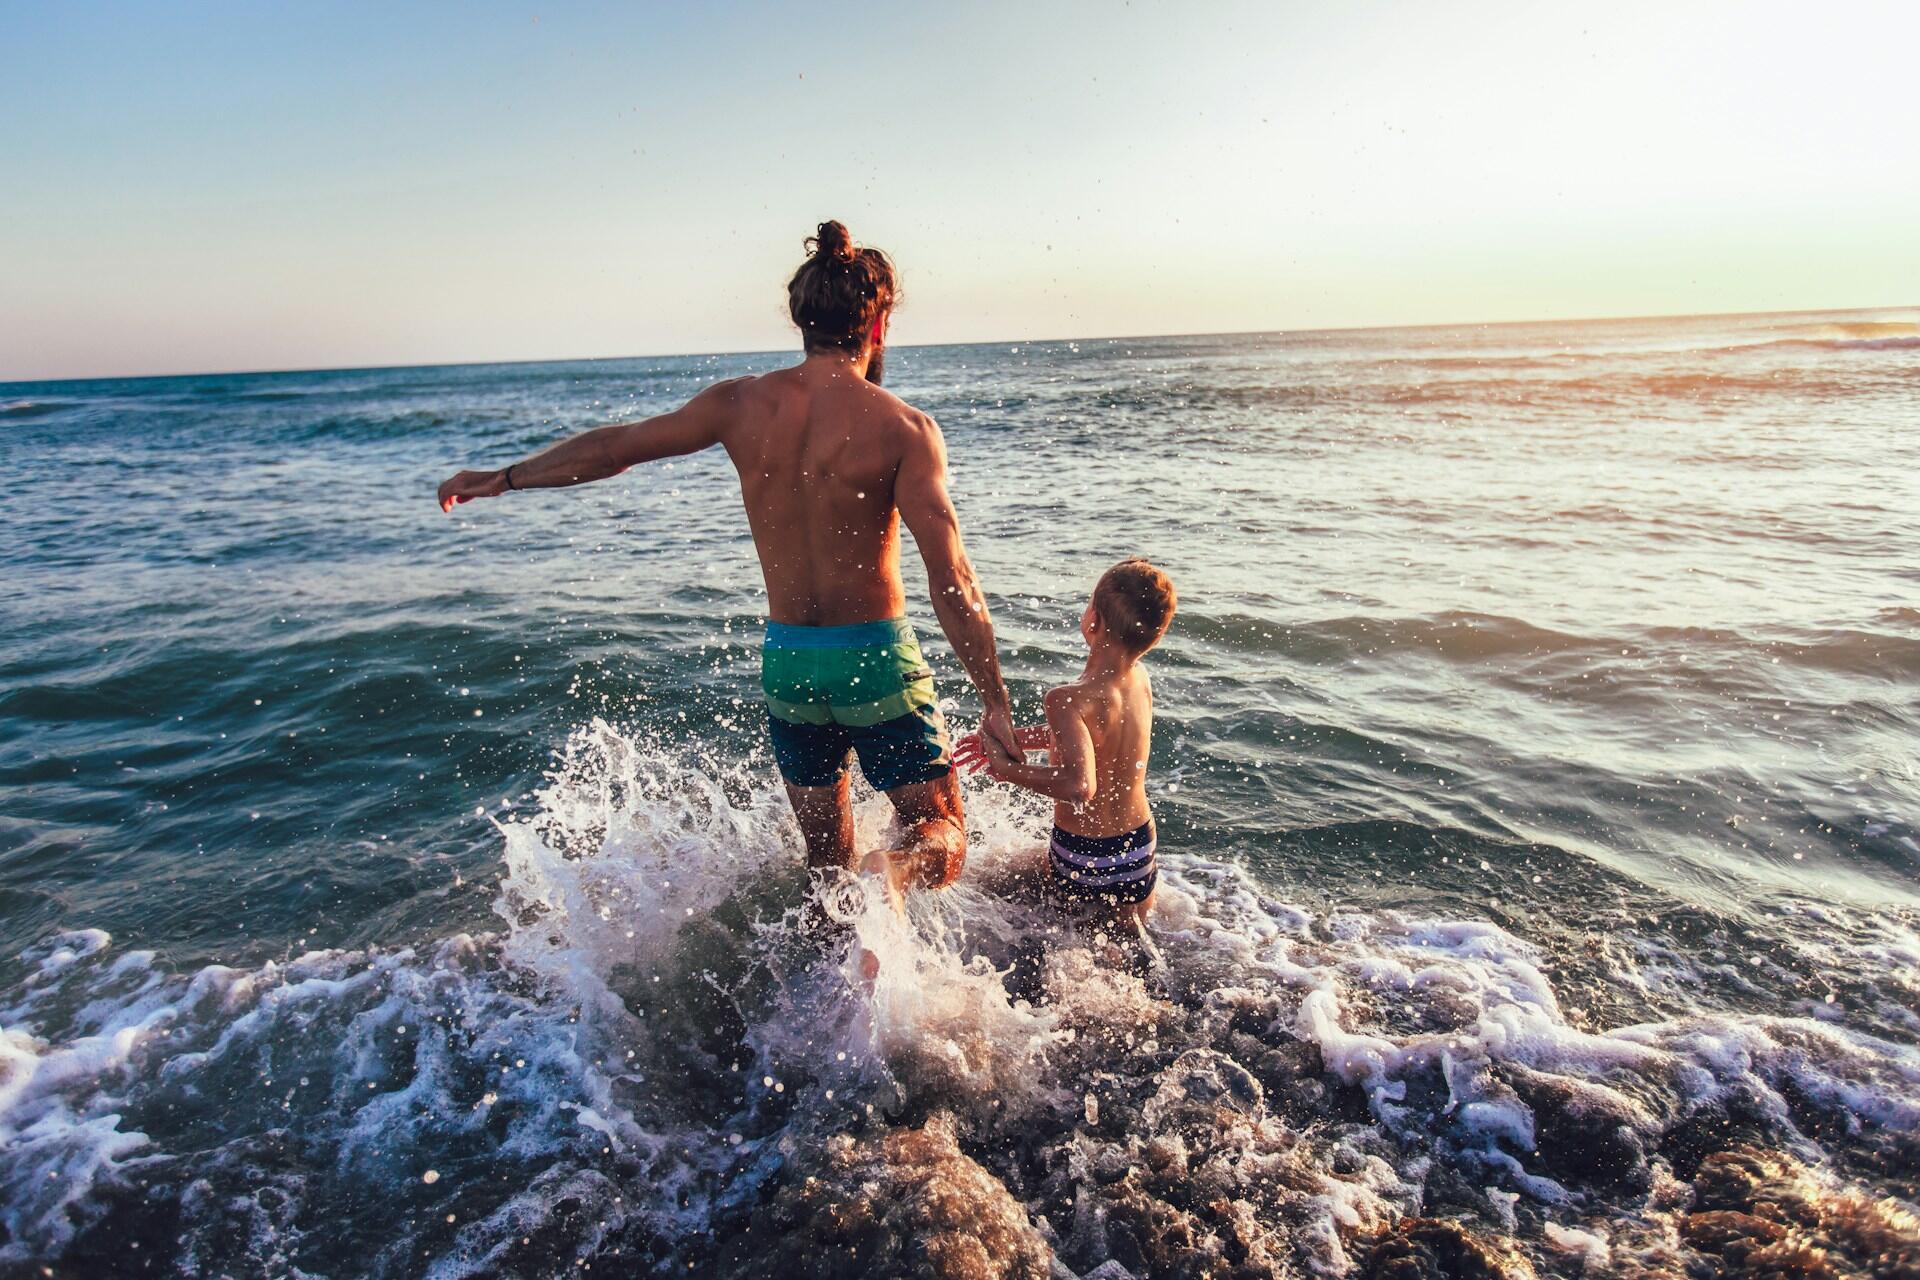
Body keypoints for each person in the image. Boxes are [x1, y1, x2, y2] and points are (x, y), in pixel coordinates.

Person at [437, 220, 1017, 904]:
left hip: (790, 663)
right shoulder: (905, 427)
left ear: (801, 320)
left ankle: (833, 969)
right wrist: (995, 700)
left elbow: (615, 449)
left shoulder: (739, 404)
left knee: (825, 866)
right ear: (879, 323)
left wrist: (502, 478)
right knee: (939, 836)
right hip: (874, 659)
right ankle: (890, 873)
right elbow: (952, 579)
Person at [955, 559, 1176, 937]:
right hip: (1138, 846)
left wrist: (1006, 769)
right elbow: (1091, 739)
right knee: (1131, 941)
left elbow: (1079, 785)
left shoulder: (1065, 698)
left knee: (1070, 941)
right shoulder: (1139, 679)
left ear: (1094, 621)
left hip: (1083, 853)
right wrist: (1016, 739)